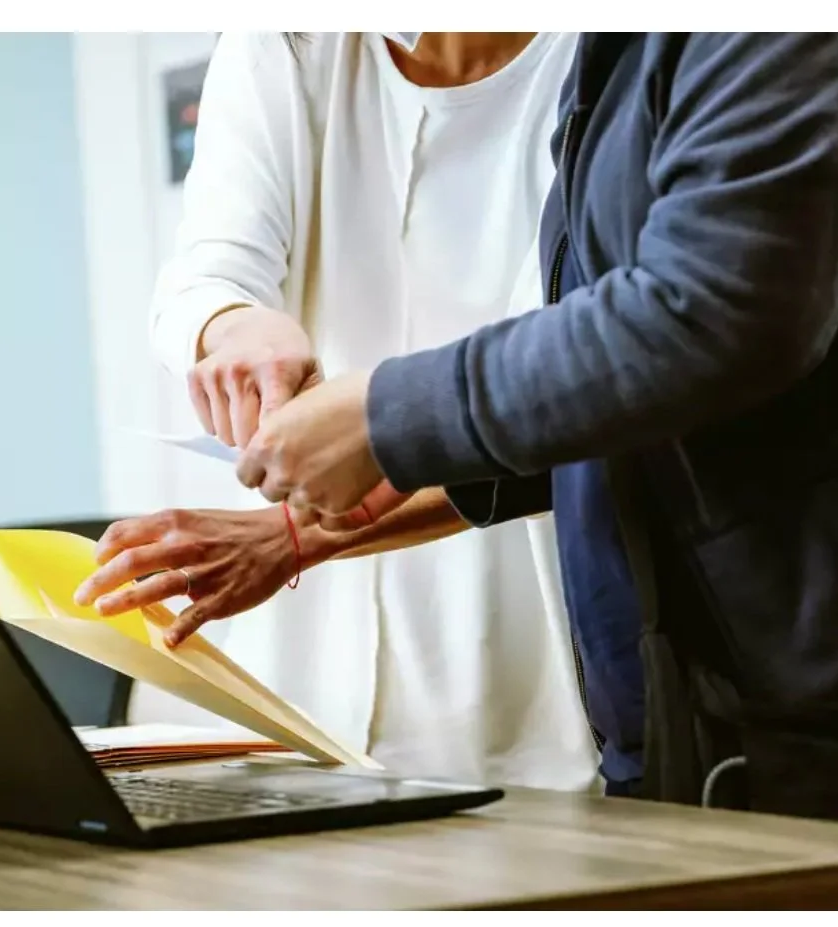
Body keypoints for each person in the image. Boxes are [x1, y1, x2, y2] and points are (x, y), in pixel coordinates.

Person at [224, 33, 838, 827]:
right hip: (685, 728)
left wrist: (384, 415)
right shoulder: (613, 50)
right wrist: (388, 482)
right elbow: (639, 387)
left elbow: (719, 308)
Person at [75, 32, 604, 790]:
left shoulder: (605, 54)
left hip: (527, 627)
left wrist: (294, 534)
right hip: (302, 649)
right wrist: (235, 324)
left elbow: (563, 392)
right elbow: (208, 266)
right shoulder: (287, 43)